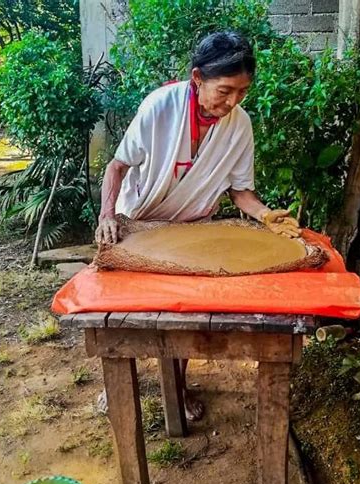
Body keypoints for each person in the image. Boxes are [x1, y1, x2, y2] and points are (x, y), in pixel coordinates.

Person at [95, 31, 301, 420]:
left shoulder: (240, 125)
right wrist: (108, 216)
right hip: (139, 222)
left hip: (193, 229)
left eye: (242, 92)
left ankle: (178, 386)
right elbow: (117, 166)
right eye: (225, 91)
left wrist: (266, 215)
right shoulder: (160, 106)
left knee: (185, 313)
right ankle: (122, 381)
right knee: (130, 312)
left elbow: (241, 193)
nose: (233, 102)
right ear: (196, 78)